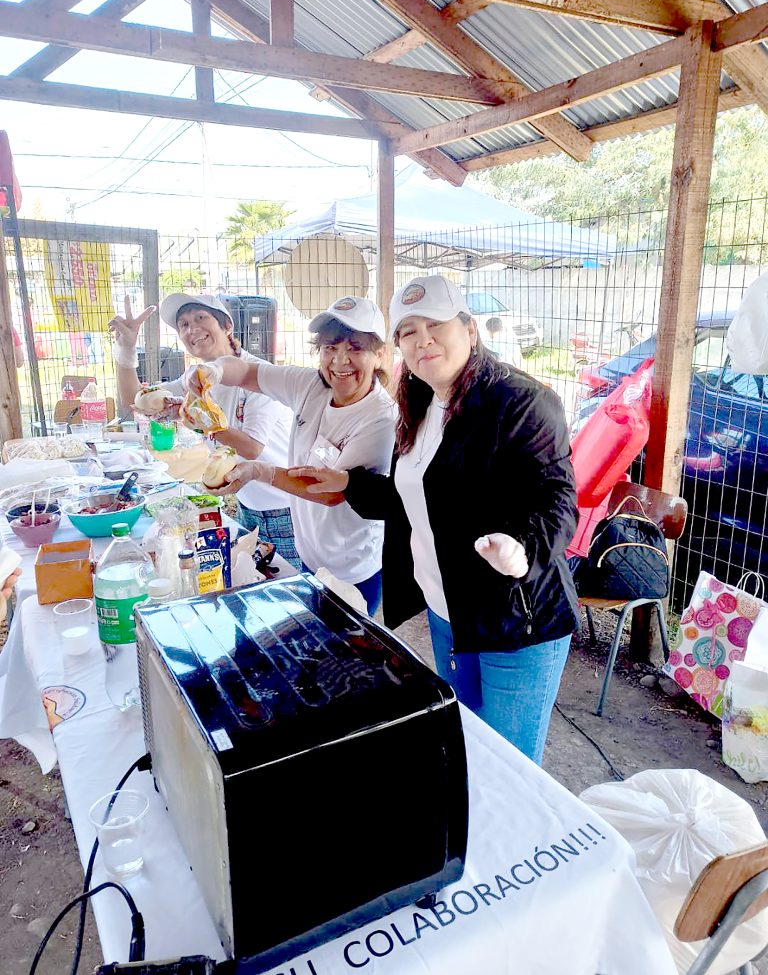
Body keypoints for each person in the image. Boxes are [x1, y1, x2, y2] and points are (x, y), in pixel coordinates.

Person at [290, 275, 580, 764]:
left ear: (468, 328)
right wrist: (348, 484)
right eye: (407, 331)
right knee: (465, 744)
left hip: (516, 618)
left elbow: (558, 497)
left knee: (509, 763)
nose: (422, 340)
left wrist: (523, 548)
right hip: (449, 612)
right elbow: (416, 500)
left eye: (435, 324)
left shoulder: (521, 401)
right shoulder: (420, 402)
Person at [184, 296, 397, 616]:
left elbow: (331, 493)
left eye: (355, 348)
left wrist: (259, 471)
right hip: (308, 554)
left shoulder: (379, 418)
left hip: (350, 571)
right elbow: (244, 372)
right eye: (330, 348)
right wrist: (213, 370)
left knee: (342, 658)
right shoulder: (310, 384)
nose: (340, 361)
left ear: (379, 354)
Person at [108, 292, 300, 569]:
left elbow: (251, 448)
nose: (192, 328)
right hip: (248, 502)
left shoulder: (259, 375)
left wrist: (196, 420)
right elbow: (138, 400)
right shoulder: (196, 379)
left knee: (291, 591)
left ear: (227, 326)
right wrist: (126, 351)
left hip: (284, 507)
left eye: (200, 317)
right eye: (183, 324)